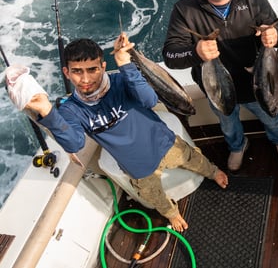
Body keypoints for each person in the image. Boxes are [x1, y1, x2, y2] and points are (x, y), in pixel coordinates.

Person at [26, 37, 229, 232]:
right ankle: (171, 213)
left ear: (103, 67)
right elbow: (74, 143)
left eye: (92, 69)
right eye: (77, 71)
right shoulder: (70, 109)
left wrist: (125, 64)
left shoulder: (121, 81)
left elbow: (150, 101)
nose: (86, 79)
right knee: (154, 195)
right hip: (136, 167)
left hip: (164, 143)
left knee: (193, 159)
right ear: (66, 73)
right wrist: (47, 112)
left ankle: (213, 171)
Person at [164, 0, 278, 170]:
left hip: (257, 84)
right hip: (216, 88)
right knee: (228, 123)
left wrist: (274, 34)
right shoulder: (185, 10)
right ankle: (237, 146)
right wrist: (196, 52)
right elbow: (171, 55)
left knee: (272, 118)